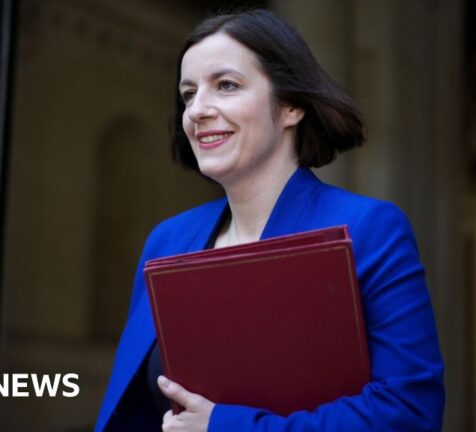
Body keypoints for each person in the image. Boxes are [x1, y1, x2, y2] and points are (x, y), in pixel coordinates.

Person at [96, 9, 444, 432]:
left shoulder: (370, 229)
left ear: (291, 105)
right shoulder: (167, 240)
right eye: (188, 94)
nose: (197, 110)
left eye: (226, 85)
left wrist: (224, 426)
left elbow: (409, 413)